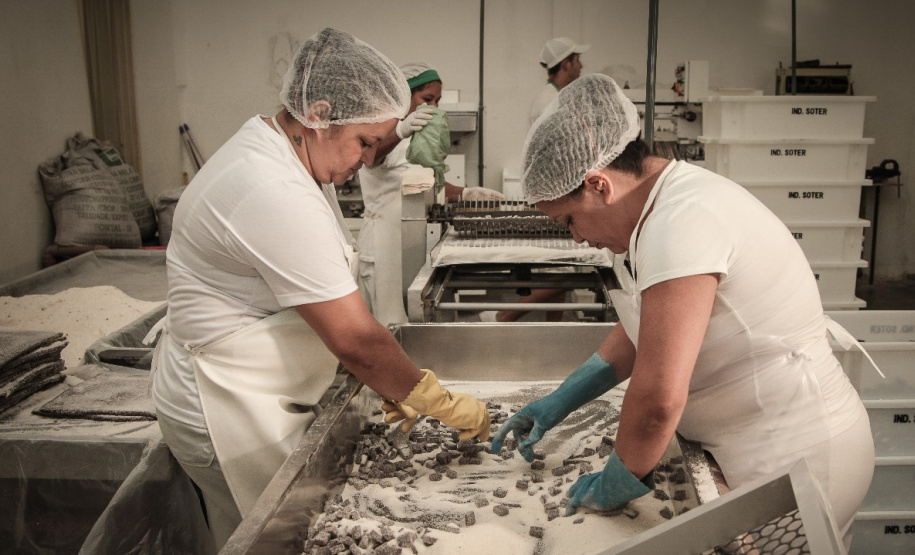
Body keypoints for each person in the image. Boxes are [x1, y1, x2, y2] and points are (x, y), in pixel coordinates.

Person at [492, 73, 875, 549]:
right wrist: (562, 400)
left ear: (598, 184)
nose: (577, 237)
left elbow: (658, 400)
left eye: (569, 219)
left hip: (794, 458)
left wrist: (617, 481)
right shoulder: (660, 208)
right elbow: (648, 329)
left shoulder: (682, 220)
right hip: (751, 446)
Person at [148, 28, 490, 550]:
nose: (368, 159)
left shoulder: (291, 153)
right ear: (320, 114)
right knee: (272, 540)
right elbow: (355, 338)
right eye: (365, 142)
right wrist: (436, 400)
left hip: (255, 389)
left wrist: (391, 380)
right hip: (222, 404)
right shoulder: (271, 186)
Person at [358, 62, 504, 323]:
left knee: (412, 317)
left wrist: (466, 193)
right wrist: (400, 130)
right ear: (404, 97)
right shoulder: (382, 130)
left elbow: (422, 185)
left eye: (437, 100)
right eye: (427, 99)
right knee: (389, 323)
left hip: (410, 240)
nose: (434, 106)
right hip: (383, 246)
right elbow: (370, 157)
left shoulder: (415, 137)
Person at [528, 37, 589, 127]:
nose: (581, 66)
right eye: (577, 60)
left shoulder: (558, 97)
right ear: (566, 64)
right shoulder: (548, 102)